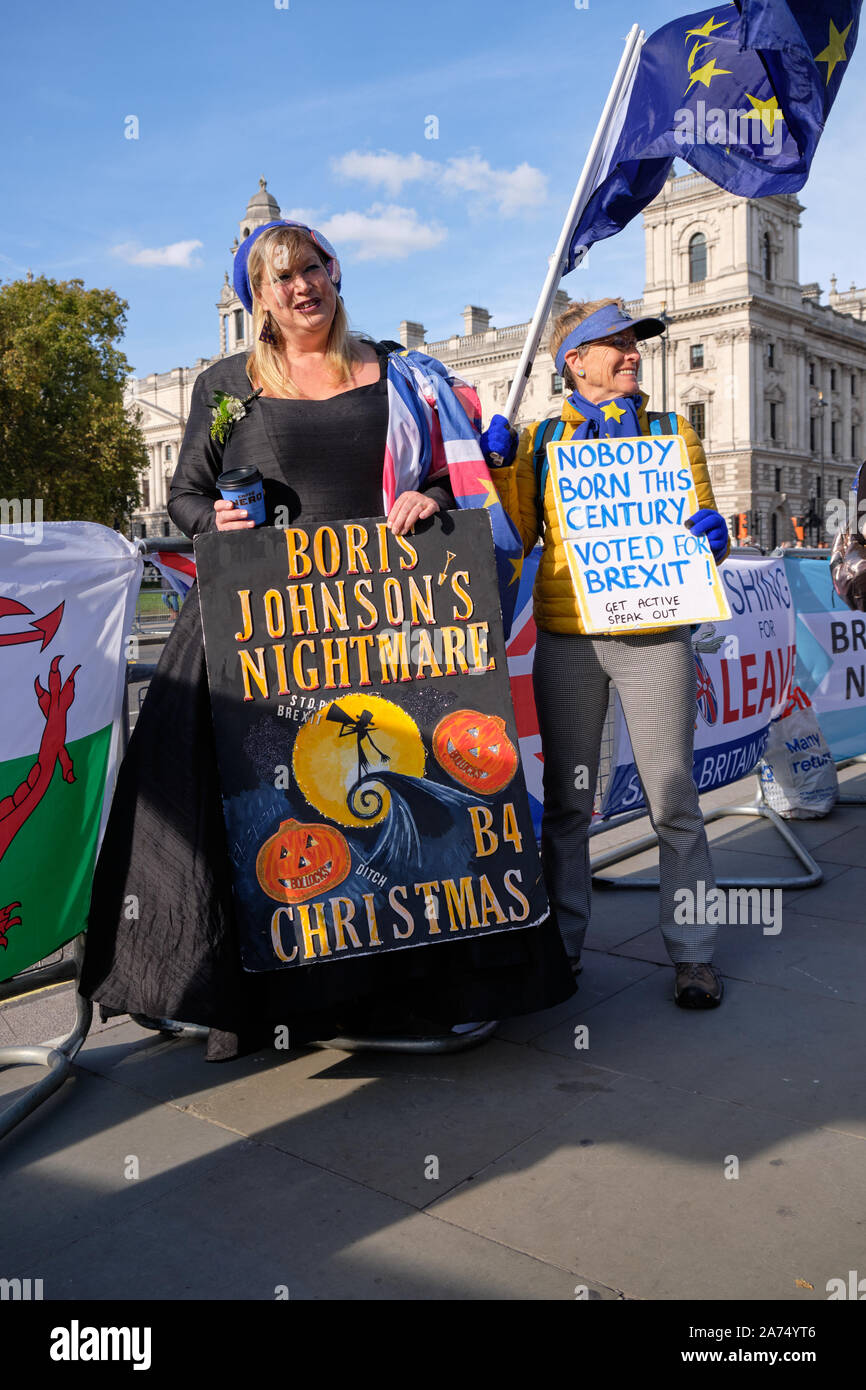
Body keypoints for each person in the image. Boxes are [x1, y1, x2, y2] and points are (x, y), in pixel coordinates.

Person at [81, 219, 574, 1059]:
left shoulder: (400, 373)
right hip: (263, 621)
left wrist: (428, 501)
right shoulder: (228, 381)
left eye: (311, 268)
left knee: (393, 796)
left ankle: (409, 989)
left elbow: (445, 486)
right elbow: (187, 498)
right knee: (261, 797)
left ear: (334, 272)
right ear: (258, 300)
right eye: (280, 279)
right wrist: (217, 518)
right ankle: (245, 999)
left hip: (385, 614)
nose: (301, 287)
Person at [481, 297, 730, 1008]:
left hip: (657, 635)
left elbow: (709, 532)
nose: (631, 353)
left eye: (634, 343)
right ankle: (562, 949)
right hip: (570, 642)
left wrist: (714, 537)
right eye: (614, 343)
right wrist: (497, 468)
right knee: (566, 804)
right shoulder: (538, 442)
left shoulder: (671, 432)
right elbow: (513, 540)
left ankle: (694, 954)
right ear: (574, 361)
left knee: (674, 797)